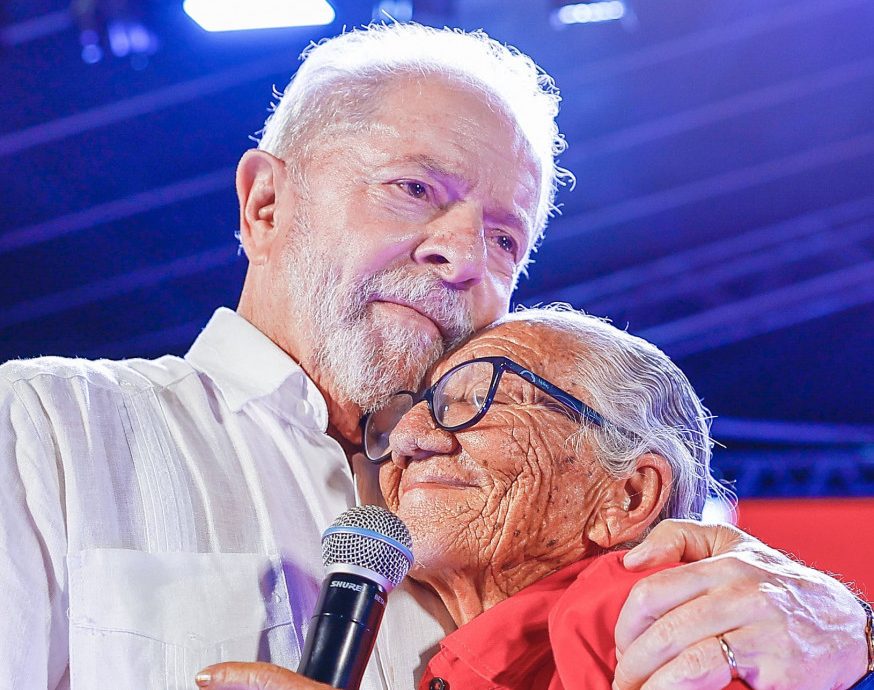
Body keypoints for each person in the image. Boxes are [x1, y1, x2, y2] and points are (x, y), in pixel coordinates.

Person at [0, 22, 869, 690]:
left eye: (504, 237)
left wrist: (854, 632)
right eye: (415, 189)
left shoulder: (546, 513)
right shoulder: (44, 426)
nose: (463, 255)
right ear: (265, 203)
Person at [201, 306, 750, 689]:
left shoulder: (671, 635)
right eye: (414, 405)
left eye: (479, 396)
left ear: (627, 497)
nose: (408, 436)